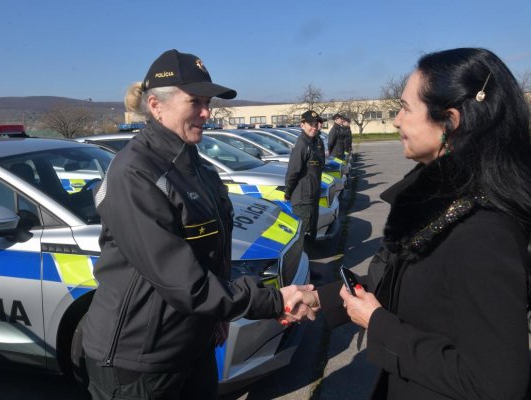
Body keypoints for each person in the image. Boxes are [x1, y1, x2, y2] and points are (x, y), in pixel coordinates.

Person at [286, 47, 531, 399]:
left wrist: (377, 324)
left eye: (404, 107)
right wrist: (320, 298)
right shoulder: (436, 200)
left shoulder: (483, 230)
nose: (397, 120)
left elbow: (497, 384)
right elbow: (396, 280)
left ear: (450, 120)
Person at [81, 49, 315, 400]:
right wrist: (273, 300)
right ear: (156, 106)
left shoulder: (195, 165)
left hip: (192, 342)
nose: (207, 113)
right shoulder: (136, 173)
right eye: (195, 102)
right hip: (141, 359)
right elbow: (183, 283)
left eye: (209, 102)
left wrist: (215, 318)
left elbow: (210, 251)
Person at [284, 110, 326, 253]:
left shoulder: (315, 142)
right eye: (310, 124)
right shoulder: (302, 144)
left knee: (311, 233)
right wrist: (287, 193)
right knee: (304, 235)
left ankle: (308, 266)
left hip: (313, 195)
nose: (314, 127)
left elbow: (320, 166)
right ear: (302, 124)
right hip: (303, 198)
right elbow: (293, 172)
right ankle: (304, 269)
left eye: (316, 124)